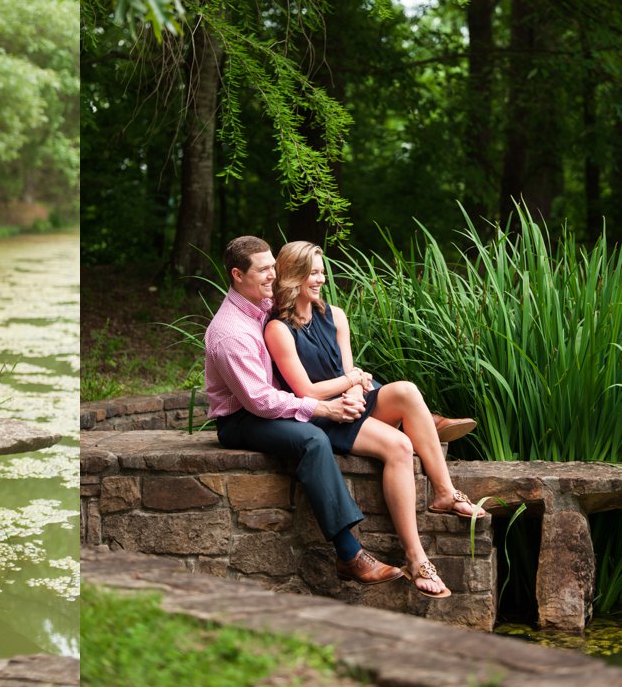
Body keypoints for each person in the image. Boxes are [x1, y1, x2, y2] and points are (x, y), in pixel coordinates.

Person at [265, 241, 489, 599]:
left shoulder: (335, 315)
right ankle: (416, 557)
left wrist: (355, 389)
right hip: (322, 415)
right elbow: (305, 390)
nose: (321, 279)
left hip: (349, 400)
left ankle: (444, 493)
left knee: (407, 391)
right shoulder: (278, 329)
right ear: (293, 276)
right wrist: (350, 385)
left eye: (322, 272)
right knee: (399, 446)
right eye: (313, 273)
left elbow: (349, 368)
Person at [205, 236, 404, 587]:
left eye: (274, 267)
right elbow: (260, 402)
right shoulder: (230, 333)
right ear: (238, 274)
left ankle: (413, 419)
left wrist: (348, 381)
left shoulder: (263, 304)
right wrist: (320, 406)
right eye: (264, 270)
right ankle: (350, 555)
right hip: (242, 419)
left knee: (368, 387)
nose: (274, 275)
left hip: (275, 401)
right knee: (312, 439)